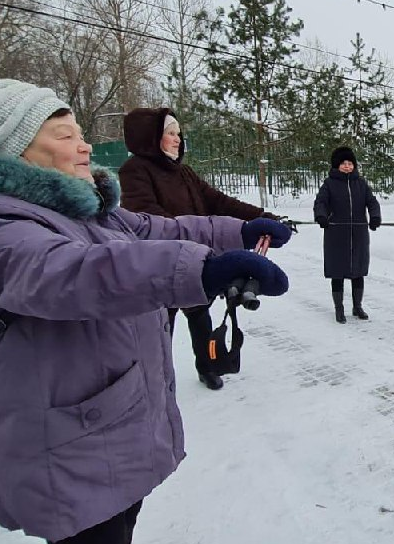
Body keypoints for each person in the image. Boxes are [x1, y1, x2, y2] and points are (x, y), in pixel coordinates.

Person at [0, 79, 291, 543]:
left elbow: (161, 229)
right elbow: (74, 272)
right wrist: (203, 270)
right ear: (12, 150)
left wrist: (238, 232)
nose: (84, 147)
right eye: (64, 136)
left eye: (79, 134)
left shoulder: (89, 212)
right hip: (61, 442)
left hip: (101, 427)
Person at [118, 108, 283, 391]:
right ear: (151, 137)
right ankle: (154, 382)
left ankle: (207, 368)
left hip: (194, 263)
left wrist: (261, 216)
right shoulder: (135, 171)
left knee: (200, 319)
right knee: (159, 330)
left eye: (178, 134)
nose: (177, 139)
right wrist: (193, 239)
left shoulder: (184, 172)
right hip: (161, 267)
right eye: (170, 133)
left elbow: (217, 200)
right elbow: (150, 220)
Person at [313, 146, 381, 323]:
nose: (347, 166)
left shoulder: (361, 183)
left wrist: (375, 217)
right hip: (336, 234)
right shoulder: (329, 184)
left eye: (350, 163)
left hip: (358, 234)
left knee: (358, 271)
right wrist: (321, 216)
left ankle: (357, 306)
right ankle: (339, 308)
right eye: (343, 163)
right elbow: (321, 202)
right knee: (338, 272)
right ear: (337, 166)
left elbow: (372, 202)